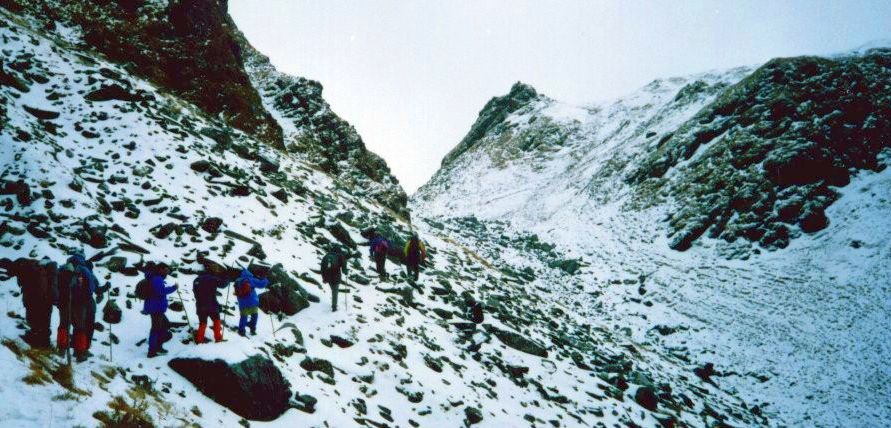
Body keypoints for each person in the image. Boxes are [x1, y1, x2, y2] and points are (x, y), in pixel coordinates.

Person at [0, 257, 57, 348]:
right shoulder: (32, 266)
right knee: (43, 321)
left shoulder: (24, 265)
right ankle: (43, 342)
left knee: (36, 319)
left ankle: (39, 342)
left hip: (36, 298)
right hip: (45, 299)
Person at [57, 250, 102, 361]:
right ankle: (80, 353)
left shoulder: (62, 268)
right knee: (79, 328)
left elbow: (55, 283)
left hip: (63, 302)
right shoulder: (84, 270)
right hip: (79, 304)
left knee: (63, 325)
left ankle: (61, 349)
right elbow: (91, 288)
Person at [142, 262, 178, 358]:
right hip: (156, 307)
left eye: (168, 270)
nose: (167, 272)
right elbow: (161, 291)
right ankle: (152, 351)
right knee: (156, 329)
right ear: (160, 269)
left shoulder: (155, 278)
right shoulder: (157, 278)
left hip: (155, 306)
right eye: (166, 270)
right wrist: (174, 288)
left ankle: (158, 347)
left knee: (164, 325)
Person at [192, 262, 234, 343]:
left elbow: (195, 292)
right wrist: (228, 278)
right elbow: (223, 284)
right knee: (216, 321)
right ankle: (218, 338)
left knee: (202, 323)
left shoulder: (196, 280)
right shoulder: (212, 278)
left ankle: (199, 340)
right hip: (212, 305)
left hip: (200, 305)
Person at [234, 266, 269, 336]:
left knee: (244, 316)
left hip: (242, 303)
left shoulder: (238, 280)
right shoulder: (250, 279)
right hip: (252, 301)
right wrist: (266, 279)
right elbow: (261, 284)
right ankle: (252, 329)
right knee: (254, 315)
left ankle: (241, 330)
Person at [320, 247, 349, 312]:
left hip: (328, 277)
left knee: (333, 290)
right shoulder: (340, 256)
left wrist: (324, 278)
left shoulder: (326, 256)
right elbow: (344, 268)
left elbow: (322, 268)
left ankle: (334, 303)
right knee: (335, 291)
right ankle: (334, 307)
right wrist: (346, 272)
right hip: (336, 276)